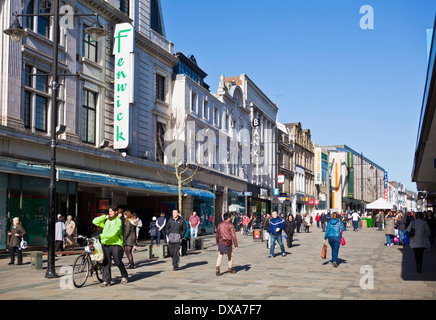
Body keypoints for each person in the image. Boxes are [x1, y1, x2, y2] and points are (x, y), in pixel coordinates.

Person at [93, 204, 128, 287]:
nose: (110, 213)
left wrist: (102, 236)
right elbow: (95, 221)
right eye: (109, 211)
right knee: (106, 262)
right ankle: (106, 281)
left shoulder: (118, 221)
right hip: (106, 244)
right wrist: (104, 217)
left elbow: (114, 233)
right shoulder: (107, 220)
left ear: (116, 212)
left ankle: (124, 275)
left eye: (111, 211)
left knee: (117, 261)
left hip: (116, 244)